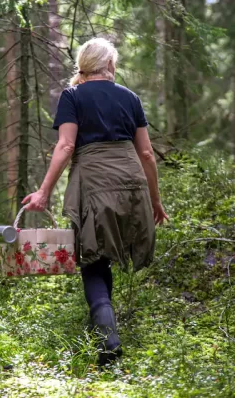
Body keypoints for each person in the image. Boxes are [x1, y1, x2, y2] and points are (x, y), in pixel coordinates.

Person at [22, 38, 168, 366]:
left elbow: (65, 146)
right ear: (110, 66)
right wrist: (154, 201)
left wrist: (44, 191)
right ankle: (103, 333)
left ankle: (107, 338)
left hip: (95, 183)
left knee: (93, 260)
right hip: (132, 184)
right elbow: (146, 153)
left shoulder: (73, 96)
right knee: (104, 257)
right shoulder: (130, 98)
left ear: (83, 67)